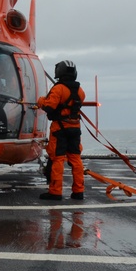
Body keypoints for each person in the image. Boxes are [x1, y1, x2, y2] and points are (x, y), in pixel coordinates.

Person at [37, 60, 86, 201]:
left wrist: (41, 101)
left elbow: (49, 107)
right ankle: (78, 191)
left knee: (57, 159)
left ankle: (55, 192)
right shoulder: (80, 91)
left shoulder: (58, 89)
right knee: (76, 159)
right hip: (75, 128)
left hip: (60, 129)